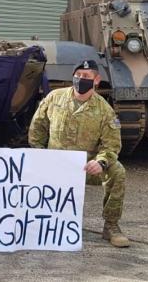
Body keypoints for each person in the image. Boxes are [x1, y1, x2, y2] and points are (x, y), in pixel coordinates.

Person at [28, 59, 130, 248]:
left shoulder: (105, 111)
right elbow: (37, 129)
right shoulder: (54, 98)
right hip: (53, 165)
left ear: (97, 80)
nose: (81, 79)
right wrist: (39, 155)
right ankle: (33, 223)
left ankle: (111, 226)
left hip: (84, 167)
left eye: (86, 76)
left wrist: (100, 162)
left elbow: (112, 145)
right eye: (78, 75)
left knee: (117, 171)